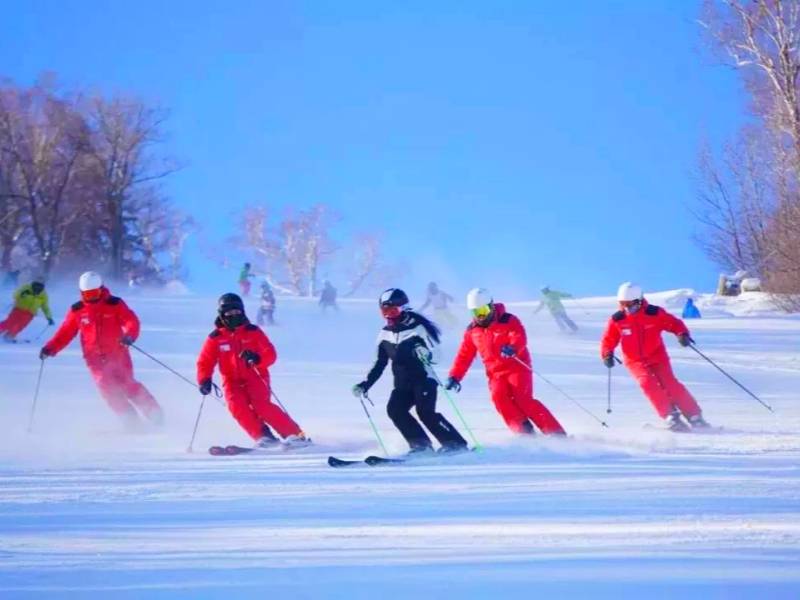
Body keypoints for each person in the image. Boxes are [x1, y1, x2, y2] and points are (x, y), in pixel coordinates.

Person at [39, 271, 163, 429]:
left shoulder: (114, 304)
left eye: (94, 293)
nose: (91, 298)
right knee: (107, 388)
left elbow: (131, 321)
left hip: (118, 354)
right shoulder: (77, 310)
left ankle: (154, 413)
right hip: (94, 359)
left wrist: (129, 335)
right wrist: (50, 347)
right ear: (82, 293)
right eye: (88, 294)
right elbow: (65, 332)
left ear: (101, 289)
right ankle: (130, 420)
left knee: (127, 384)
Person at [352, 288, 468, 454]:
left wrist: (426, 353)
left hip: (424, 380)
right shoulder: (384, 334)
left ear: (404, 308)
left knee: (425, 413)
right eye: (385, 311)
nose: (389, 315)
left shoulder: (417, 328)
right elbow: (379, 363)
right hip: (402, 385)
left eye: (393, 310)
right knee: (395, 410)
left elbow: (437, 355)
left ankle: (455, 443)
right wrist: (365, 384)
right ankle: (421, 445)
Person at [446, 288, 566, 436]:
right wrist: (455, 376)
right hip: (495, 373)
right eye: (476, 312)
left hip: (516, 366)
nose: (481, 316)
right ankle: (524, 431)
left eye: (483, 311)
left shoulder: (508, 320)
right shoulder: (472, 331)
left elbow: (519, 335)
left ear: (491, 306)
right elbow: (464, 355)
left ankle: (555, 432)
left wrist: (513, 347)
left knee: (523, 399)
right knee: (499, 398)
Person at [196, 293, 310, 448]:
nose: (234, 315)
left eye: (237, 311)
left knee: (261, 405)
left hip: (256, 375)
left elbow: (270, 354)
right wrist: (204, 380)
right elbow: (205, 361)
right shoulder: (215, 338)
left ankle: (295, 435)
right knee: (236, 407)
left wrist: (257, 358)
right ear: (222, 315)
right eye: (229, 313)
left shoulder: (253, 332)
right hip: (231, 380)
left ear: (242, 312)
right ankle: (263, 436)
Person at [600, 282, 710, 432]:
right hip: (634, 361)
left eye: (630, 304)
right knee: (646, 382)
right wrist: (607, 354)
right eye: (623, 304)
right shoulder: (618, 319)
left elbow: (674, 323)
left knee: (670, 384)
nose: (627, 308)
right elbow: (608, 339)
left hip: (657, 356)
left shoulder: (654, 313)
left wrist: (682, 334)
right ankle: (670, 416)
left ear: (639, 301)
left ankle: (694, 416)